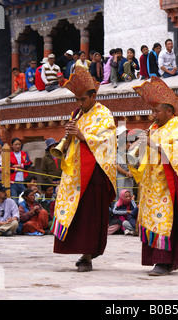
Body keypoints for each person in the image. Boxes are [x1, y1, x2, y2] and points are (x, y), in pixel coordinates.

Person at [52, 66, 117, 272]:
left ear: (93, 95)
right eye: (77, 100)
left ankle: (87, 256)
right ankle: (79, 250)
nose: (79, 104)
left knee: (90, 215)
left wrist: (82, 136)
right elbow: (73, 144)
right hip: (75, 172)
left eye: (83, 99)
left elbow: (107, 142)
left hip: (94, 173)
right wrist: (70, 136)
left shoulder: (104, 114)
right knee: (75, 213)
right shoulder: (78, 114)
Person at [131, 77, 178, 276]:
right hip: (151, 185)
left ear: (169, 111)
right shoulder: (155, 128)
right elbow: (143, 153)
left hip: (167, 186)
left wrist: (154, 145)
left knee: (163, 222)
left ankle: (164, 262)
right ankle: (153, 259)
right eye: (153, 111)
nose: (154, 115)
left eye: (157, 111)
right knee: (151, 221)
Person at [10, 137, 33, 205]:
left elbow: (29, 163)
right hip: (13, 181)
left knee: (25, 199)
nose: (17, 146)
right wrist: (22, 166)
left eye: (19, 144)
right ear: (12, 146)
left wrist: (18, 166)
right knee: (14, 200)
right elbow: (9, 168)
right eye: (15, 144)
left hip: (24, 180)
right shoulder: (9, 155)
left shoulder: (24, 153)